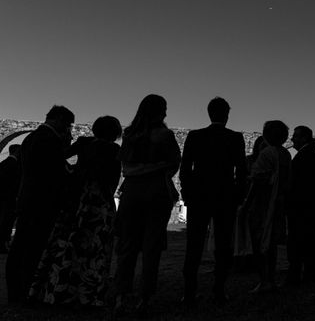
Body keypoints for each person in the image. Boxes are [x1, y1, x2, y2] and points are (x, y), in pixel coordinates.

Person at [29, 116, 122, 306]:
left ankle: (56, 289)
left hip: (77, 197)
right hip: (98, 202)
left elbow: (57, 158)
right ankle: (87, 295)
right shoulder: (114, 149)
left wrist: (73, 173)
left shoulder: (83, 142)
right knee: (94, 249)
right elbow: (112, 179)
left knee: (66, 243)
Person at [113, 95, 181, 316]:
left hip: (132, 191)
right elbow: (173, 164)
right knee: (151, 246)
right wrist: (156, 168)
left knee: (127, 244)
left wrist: (138, 170)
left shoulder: (130, 134)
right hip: (156, 190)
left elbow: (124, 164)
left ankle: (122, 293)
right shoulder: (165, 135)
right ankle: (145, 295)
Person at [179, 97, 247, 304]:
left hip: (199, 196)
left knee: (194, 244)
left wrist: (187, 193)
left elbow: (185, 169)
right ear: (227, 115)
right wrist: (238, 195)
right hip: (225, 196)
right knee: (224, 244)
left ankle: (189, 293)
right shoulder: (235, 138)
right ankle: (219, 290)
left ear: (209, 114)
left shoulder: (195, 136)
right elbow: (242, 171)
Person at [5, 105, 75, 304]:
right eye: (68, 124)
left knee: (20, 246)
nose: (68, 129)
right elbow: (53, 173)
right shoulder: (49, 139)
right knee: (32, 248)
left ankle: (15, 290)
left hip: (28, 199)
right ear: (59, 119)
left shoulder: (31, 138)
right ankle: (24, 291)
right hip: (42, 202)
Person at [243, 121, 291, 293]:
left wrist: (247, 203)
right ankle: (270, 278)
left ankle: (264, 280)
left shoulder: (267, 153)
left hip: (263, 203)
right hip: (279, 202)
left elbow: (258, 181)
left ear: (266, 135)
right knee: (271, 243)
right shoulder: (285, 153)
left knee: (259, 241)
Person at [286, 126, 315, 286]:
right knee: (310, 241)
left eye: (295, 136)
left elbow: (297, 184)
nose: (292, 139)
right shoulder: (312, 155)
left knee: (297, 241)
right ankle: (309, 275)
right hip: (311, 207)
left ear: (304, 138)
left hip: (301, 207)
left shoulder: (304, 156)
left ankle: (296, 275)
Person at [0, 145, 21, 253]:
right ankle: (2, 244)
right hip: (10, 199)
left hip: (2, 198)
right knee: (6, 222)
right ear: (17, 151)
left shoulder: (3, 163)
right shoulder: (15, 166)